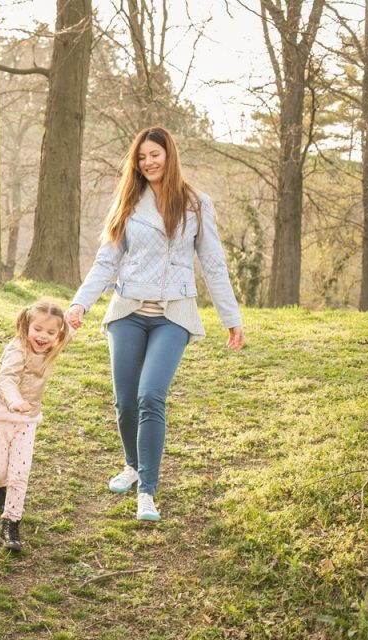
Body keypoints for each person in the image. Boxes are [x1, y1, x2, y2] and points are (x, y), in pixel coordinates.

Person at [64, 126, 244, 522]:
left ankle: (147, 490)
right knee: (125, 402)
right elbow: (106, 261)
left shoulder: (197, 205)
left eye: (155, 155)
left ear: (169, 155)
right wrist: (80, 304)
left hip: (174, 314)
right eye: (142, 157)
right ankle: (131, 464)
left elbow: (213, 264)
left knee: (150, 397)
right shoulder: (128, 201)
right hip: (128, 311)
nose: (148, 162)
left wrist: (231, 319)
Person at [0, 301, 72, 550]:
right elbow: (6, 379)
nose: (43, 337)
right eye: (38, 329)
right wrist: (15, 401)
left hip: (28, 420)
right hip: (1, 415)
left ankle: (11, 523)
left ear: (58, 334)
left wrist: (74, 318)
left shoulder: (53, 346)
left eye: (51, 332)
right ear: (27, 326)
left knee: (19, 475)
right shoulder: (16, 349)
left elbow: (68, 331)